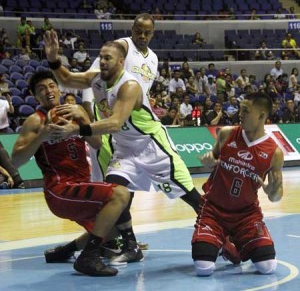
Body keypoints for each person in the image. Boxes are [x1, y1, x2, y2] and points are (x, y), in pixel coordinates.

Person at [43, 28, 203, 265]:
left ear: (121, 61)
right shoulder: (96, 79)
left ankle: (221, 231)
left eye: (108, 58)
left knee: (190, 196)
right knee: (115, 193)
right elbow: (66, 79)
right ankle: (129, 246)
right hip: (125, 149)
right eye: (101, 57)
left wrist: (77, 129)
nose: (103, 61)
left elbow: (115, 123)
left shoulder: (129, 86)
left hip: (152, 146)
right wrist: (54, 58)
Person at [12, 70, 132, 277]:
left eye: (51, 86)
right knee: (121, 194)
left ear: (58, 89)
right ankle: (88, 257)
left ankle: (65, 251)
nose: (48, 91)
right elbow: (16, 160)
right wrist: (40, 136)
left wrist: (84, 119)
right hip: (59, 190)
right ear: (35, 96)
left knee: (111, 229)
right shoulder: (35, 120)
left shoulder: (73, 112)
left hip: (81, 184)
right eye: (41, 89)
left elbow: (96, 144)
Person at [192, 92, 284, 276]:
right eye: (240, 109)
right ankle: (224, 243)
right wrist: (208, 161)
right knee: (204, 268)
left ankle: (235, 244)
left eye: (245, 111)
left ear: (262, 115)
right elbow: (213, 158)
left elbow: (276, 196)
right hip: (214, 210)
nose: (239, 114)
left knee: (267, 267)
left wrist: (272, 192)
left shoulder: (274, 152)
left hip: (246, 215)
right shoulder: (227, 134)